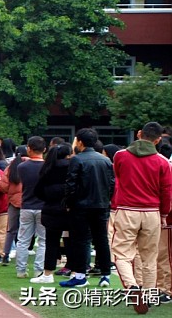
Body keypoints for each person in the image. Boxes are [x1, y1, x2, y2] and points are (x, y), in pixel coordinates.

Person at [112, 122, 172, 313]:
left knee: (122, 253)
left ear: (139, 134)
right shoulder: (163, 161)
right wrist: (164, 214)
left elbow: (118, 178)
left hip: (127, 209)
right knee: (150, 257)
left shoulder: (120, 156)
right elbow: (166, 192)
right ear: (158, 139)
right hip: (152, 212)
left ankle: (131, 287)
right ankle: (148, 293)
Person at [61, 128, 114, 288]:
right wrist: (106, 199)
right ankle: (105, 274)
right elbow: (111, 183)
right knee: (101, 240)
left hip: (81, 206)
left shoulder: (77, 160)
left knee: (80, 240)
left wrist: (69, 203)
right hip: (101, 205)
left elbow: (71, 184)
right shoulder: (105, 160)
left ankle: (80, 275)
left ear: (80, 142)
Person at [30, 143, 73, 284]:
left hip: (51, 209)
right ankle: (77, 273)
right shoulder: (74, 166)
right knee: (76, 242)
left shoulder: (48, 168)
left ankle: (48, 274)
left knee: (51, 243)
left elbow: (38, 190)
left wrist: (50, 198)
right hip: (71, 209)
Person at [14, 136, 47, 278]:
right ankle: (39, 269)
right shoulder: (47, 166)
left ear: (28, 148)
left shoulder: (22, 167)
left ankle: (21, 270)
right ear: (44, 149)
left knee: (23, 240)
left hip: (27, 205)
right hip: (43, 206)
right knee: (43, 240)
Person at [0, 146, 27, 265]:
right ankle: (22, 257)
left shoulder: (11, 167)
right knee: (27, 232)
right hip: (29, 201)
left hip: (13, 202)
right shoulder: (33, 164)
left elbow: (3, 186)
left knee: (11, 230)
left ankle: (6, 254)